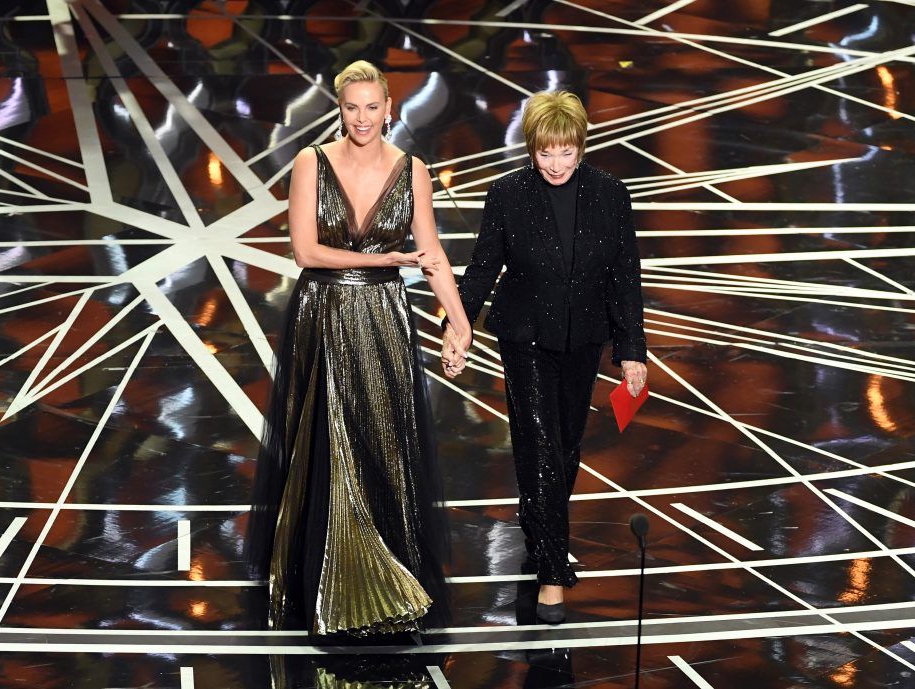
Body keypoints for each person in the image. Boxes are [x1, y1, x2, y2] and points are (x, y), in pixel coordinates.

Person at [247, 60, 472, 638]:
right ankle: (324, 582)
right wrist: (384, 261)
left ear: (389, 108)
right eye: (353, 107)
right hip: (322, 315)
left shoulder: (413, 170)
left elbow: (433, 252)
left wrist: (460, 322)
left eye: (374, 106)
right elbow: (306, 253)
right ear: (340, 109)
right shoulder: (310, 163)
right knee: (326, 443)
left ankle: (387, 573)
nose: (364, 118)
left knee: (383, 441)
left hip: (384, 322)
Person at [444, 90, 647, 624]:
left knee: (564, 449)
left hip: (584, 338)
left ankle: (538, 523)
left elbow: (625, 277)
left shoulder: (611, 195)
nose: (556, 164)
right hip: (526, 337)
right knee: (537, 445)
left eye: (566, 152)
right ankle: (554, 575)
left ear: (581, 146)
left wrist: (632, 353)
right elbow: (483, 268)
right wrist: (457, 329)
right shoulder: (508, 195)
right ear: (531, 149)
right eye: (545, 153)